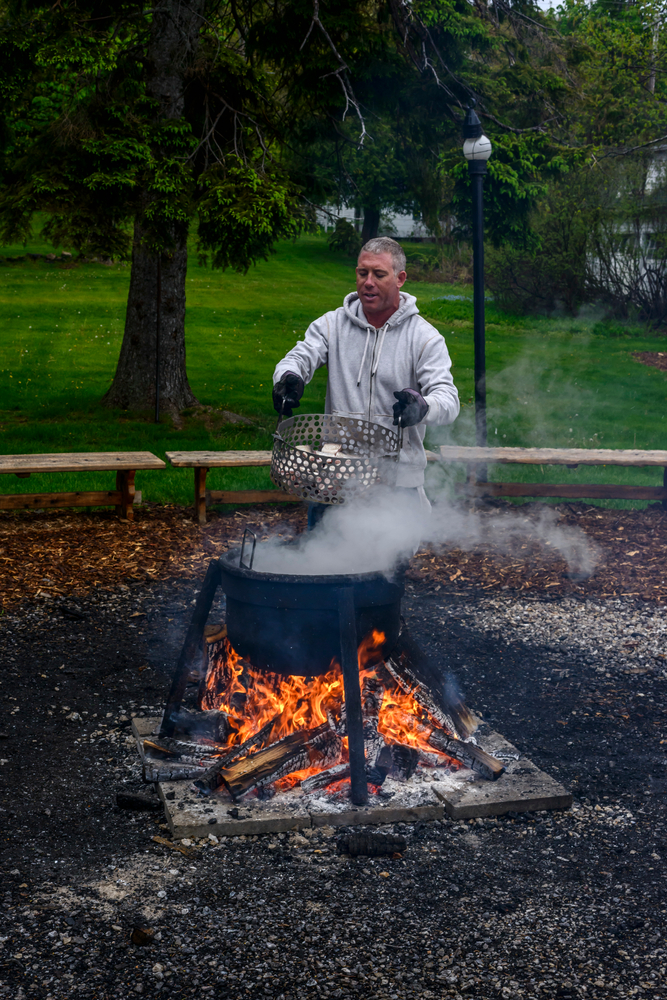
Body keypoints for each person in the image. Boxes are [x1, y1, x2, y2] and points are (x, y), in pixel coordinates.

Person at [272, 236, 460, 526]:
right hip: (335, 479)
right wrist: (288, 378)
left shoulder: (424, 338)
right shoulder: (332, 325)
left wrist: (424, 407)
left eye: (378, 274)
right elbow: (299, 357)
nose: (368, 282)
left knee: (390, 569)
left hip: (398, 484)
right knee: (322, 565)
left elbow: (448, 399)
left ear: (400, 279)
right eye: (362, 273)